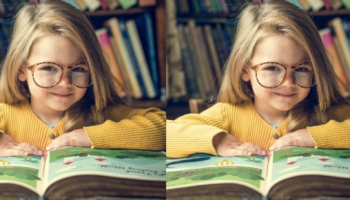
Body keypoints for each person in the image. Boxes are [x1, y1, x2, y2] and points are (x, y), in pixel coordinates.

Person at [167, 0, 350, 158]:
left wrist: (315, 136)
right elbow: (167, 133)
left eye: (302, 69)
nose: (288, 83)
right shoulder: (226, 115)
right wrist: (217, 140)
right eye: (272, 68)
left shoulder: (324, 113)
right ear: (244, 69)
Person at [0, 0, 165, 157]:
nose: (65, 83)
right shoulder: (4, 114)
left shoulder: (100, 114)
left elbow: (163, 126)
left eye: (78, 69)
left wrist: (91, 135)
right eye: (49, 68)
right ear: (20, 70)